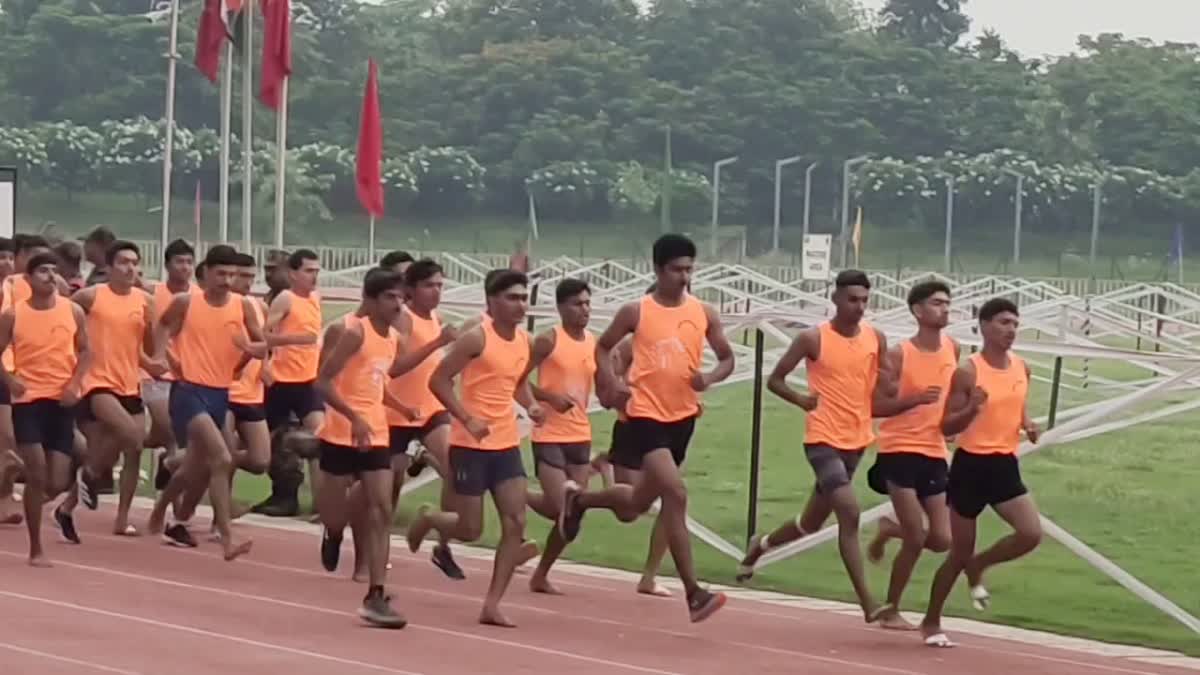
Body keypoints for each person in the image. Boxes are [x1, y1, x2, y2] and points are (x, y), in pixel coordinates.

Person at [558, 234, 734, 624]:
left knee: (636, 505)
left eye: (690, 269)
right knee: (676, 493)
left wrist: (710, 377)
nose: (684, 277)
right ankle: (694, 592)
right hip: (644, 415)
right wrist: (612, 381)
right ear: (657, 270)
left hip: (682, 418)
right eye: (676, 270)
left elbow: (727, 357)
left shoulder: (704, 311)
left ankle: (580, 501)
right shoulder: (635, 311)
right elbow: (602, 348)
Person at [735, 269, 887, 624]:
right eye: (852, 299)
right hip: (822, 439)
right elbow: (775, 379)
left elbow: (879, 388)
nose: (859, 307)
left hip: (857, 440)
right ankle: (868, 603)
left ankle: (760, 546)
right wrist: (801, 399)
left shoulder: (875, 338)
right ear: (835, 298)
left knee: (810, 523)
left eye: (865, 300)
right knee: (849, 513)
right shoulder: (811, 339)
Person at [406, 269, 543, 627]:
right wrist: (466, 418)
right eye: (512, 298)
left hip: (506, 444)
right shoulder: (475, 339)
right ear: (492, 302)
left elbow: (518, 384)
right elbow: (438, 381)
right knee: (470, 530)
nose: (520, 305)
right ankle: (430, 518)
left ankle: (492, 604)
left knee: (515, 521)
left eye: (523, 298)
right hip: (470, 445)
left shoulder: (526, 341)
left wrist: (531, 405)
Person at [921, 298, 1041, 648]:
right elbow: (946, 427)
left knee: (1030, 534)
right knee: (957, 552)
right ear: (985, 326)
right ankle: (931, 619)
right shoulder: (968, 372)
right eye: (1004, 323)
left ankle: (979, 566)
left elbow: (1016, 408)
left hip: (1004, 465)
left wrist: (1028, 424)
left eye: (1015, 324)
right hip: (970, 468)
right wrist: (971, 408)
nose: (1011, 330)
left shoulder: (1022, 367)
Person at [146, 245, 264, 560]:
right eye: (221, 273)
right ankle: (227, 539)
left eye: (233, 274)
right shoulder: (187, 302)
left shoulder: (243, 306)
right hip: (188, 392)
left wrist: (253, 349)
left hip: (219, 393)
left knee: (193, 466)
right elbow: (162, 325)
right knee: (222, 459)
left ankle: (159, 511)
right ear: (207, 272)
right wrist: (161, 356)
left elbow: (261, 344)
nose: (227, 280)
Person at [314, 267, 408, 628]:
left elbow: (377, 383)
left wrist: (391, 411)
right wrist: (352, 416)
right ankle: (333, 532)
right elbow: (322, 382)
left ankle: (375, 593)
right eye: (390, 297)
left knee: (381, 508)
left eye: (401, 297)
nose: (398, 304)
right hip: (341, 433)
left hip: (376, 434)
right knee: (335, 514)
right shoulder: (355, 334)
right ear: (370, 299)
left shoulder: (392, 338)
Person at [863, 281, 956, 630]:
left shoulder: (953, 348)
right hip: (898, 449)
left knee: (942, 540)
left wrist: (954, 421)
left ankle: (889, 529)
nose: (945, 309)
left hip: (934, 450)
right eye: (936, 303)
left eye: (948, 303)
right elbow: (874, 405)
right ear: (918, 310)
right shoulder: (899, 355)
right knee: (917, 536)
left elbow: (952, 398)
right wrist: (912, 400)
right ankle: (891, 610)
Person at [59, 241, 163, 538]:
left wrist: (153, 358)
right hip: (97, 381)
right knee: (132, 434)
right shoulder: (91, 296)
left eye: (135, 262)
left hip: (130, 381)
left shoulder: (145, 301)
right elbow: (64, 317)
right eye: (124, 262)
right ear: (109, 267)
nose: (131, 268)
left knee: (134, 450)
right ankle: (90, 473)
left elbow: (147, 348)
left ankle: (85, 510)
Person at [374, 258, 464, 581]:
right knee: (389, 491)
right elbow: (395, 368)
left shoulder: (436, 318)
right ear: (410, 290)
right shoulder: (404, 320)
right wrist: (437, 343)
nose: (436, 292)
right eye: (429, 285)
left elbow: (435, 367)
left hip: (430, 410)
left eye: (440, 285)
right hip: (396, 412)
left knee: (455, 470)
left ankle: (442, 544)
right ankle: (373, 552)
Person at [0, 251, 90, 566]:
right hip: (28, 400)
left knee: (55, 481)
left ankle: (13, 468)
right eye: (43, 271)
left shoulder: (73, 311)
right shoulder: (14, 315)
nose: (51, 276)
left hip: (61, 401)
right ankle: (36, 548)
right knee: (38, 474)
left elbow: (85, 352)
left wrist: (75, 385)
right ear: (28, 279)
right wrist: (10, 380)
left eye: (54, 271)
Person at [523, 278, 598, 595]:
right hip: (549, 433)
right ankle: (514, 492)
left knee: (573, 515)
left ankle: (541, 574)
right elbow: (517, 380)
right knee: (558, 508)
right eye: (577, 304)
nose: (584, 310)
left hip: (580, 434)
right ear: (560, 307)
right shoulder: (547, 340)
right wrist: (546, 399)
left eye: (587, 303)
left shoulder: (593, 342)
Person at [257, 249, 324, 518]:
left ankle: (324, 506)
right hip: (281, 381)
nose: (314, 277)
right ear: (293, 274)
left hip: (308, 381)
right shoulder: (286, 299)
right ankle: (283, 496)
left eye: (317, 271)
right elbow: (262, 335)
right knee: (265, 444)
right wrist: (267, 363)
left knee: (322, 438)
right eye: (308, 271)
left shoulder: (316, 299)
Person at [145, 239, 198, 492]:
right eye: (179, 261)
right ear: (167, 265)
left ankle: (166, 464)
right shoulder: (153, 293)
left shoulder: (198, 296)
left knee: (169, 435)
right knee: (170, 431)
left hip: (188, 373)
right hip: (155, 372)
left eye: (189, 262)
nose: (185, 267)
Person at [0, 237, 22, 525]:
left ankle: (4, 503)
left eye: (9, 257)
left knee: (7, 437)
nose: (6, 263)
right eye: (1, 257)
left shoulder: (11, 291)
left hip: (5, 370)